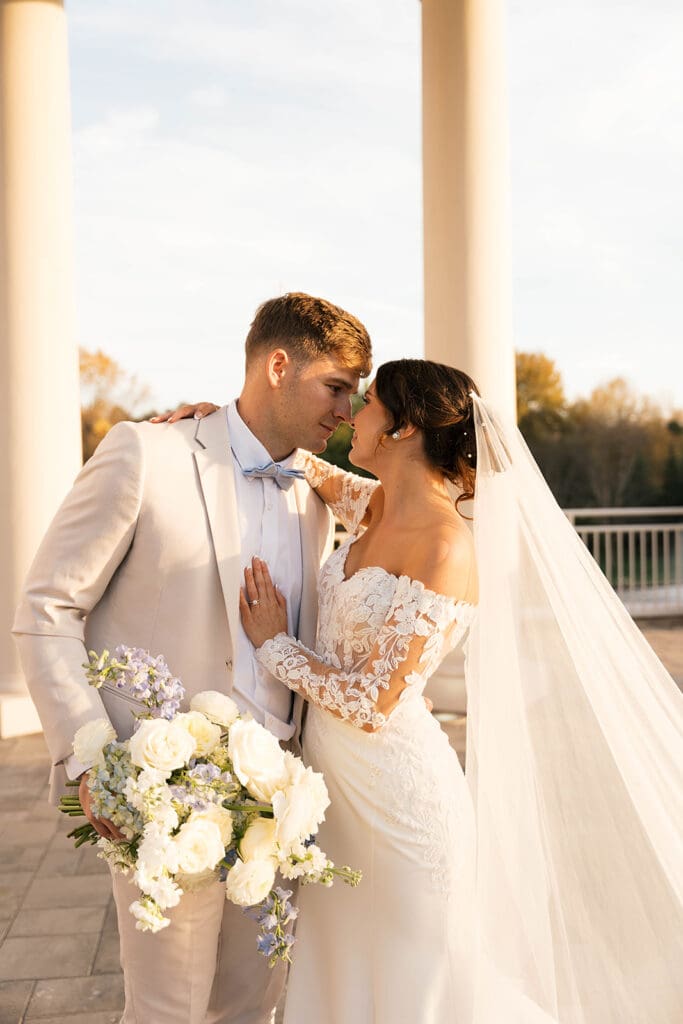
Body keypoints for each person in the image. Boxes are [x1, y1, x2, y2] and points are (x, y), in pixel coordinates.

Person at [181, 356, 682, 1023]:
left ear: (404, 426)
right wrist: (214, 426)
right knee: (341, 969)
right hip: (336, 797)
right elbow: (304, 467)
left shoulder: (445, 546)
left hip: (398, 802)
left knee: (415, 980)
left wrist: (274, 644)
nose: (350, 414)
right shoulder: (378, 503)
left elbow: (373, 702)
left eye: (366, 403)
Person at [12, 292, 372, 1024]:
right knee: (165, 1011)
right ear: (278, 365)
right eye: (336, 387)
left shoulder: (316, 491)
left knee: (253, 1007)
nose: (348, 411)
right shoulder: (146, 453)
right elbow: (47, 609)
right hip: (163, 790)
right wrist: (92, 762)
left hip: (281, 797)